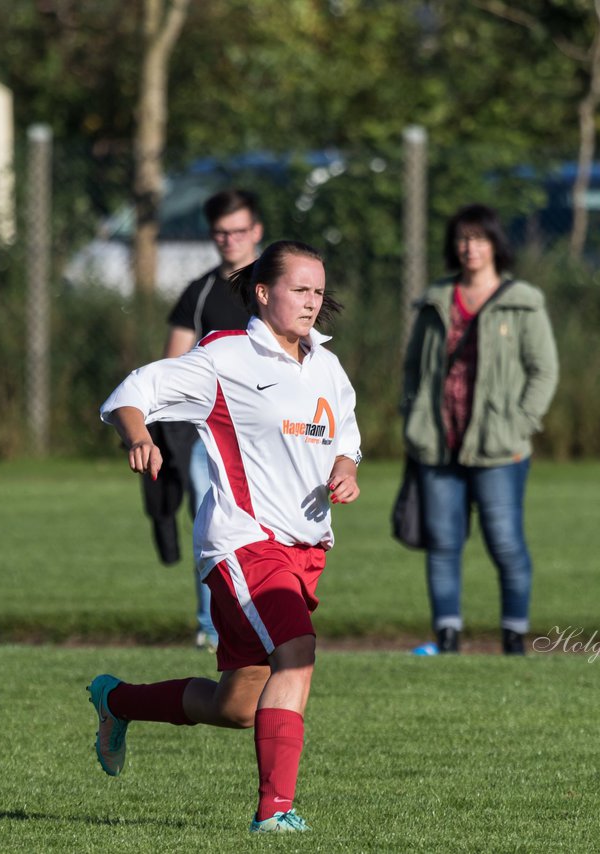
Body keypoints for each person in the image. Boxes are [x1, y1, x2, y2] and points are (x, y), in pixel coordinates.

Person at [91, 240, 361, 834]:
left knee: (237, 707)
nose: (313, 301)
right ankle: (276, 813)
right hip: (244, 542)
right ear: (264, 293)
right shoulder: (226, 357)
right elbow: (132, 392)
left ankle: (117, 701)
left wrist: (346, 468)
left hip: (305, 548)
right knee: (298, 654)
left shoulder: (326, 364)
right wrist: (141, 437)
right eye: (300, 289)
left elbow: (345, 432)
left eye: (319, 291)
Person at [401, 203, 558, 655]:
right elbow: (412, 367)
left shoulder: (522, 301)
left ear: (495, 245)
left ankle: (514, 637)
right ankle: (447, 637)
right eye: (462, 238)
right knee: (444, 545)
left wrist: (520, 424)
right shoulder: (436, 298)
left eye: (479, 238)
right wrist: (412, 415)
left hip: (498, 447)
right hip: (438, 442)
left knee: (506, 543)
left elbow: (543, 370)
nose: (470, 247)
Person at [149, 189, 263, 654]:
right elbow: (171, 365)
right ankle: (211, 626)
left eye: (239, 230)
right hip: (211, 436)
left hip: (269, 433)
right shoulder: (199, 294)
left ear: (256, 230)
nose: (230, 240)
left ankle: (267, 616)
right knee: (214, 522)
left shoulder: (275, 286)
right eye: (221, 232)